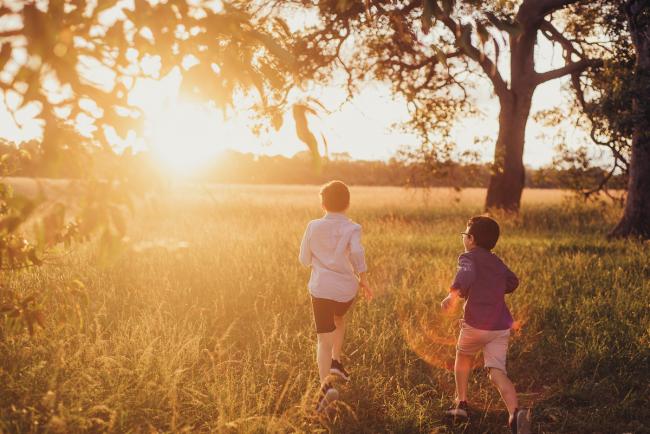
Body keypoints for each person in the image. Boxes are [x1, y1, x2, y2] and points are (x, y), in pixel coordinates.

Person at [441, 216, 530, 434]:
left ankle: (461, 404)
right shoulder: (496, 261)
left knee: (463, 357)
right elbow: (512, 281)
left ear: (471, 239)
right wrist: (494, 288)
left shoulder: (468, 257)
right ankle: (515, 413)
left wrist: (453, 296)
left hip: (475, 325)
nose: (464, 239)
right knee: (497, 371)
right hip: (500, 327)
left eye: (465, 235)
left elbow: (466, 275)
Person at [299, 180, 373, 413]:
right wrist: (363, 279)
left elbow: (304, 260)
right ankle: (337, 362)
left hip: (321, 289)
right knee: (338, 319)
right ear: (347, 203)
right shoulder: (353, 227)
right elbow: (358, 252)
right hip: (346, 290)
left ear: (323, 203)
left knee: (323, 339)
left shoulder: (313, 226)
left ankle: (325, 389)